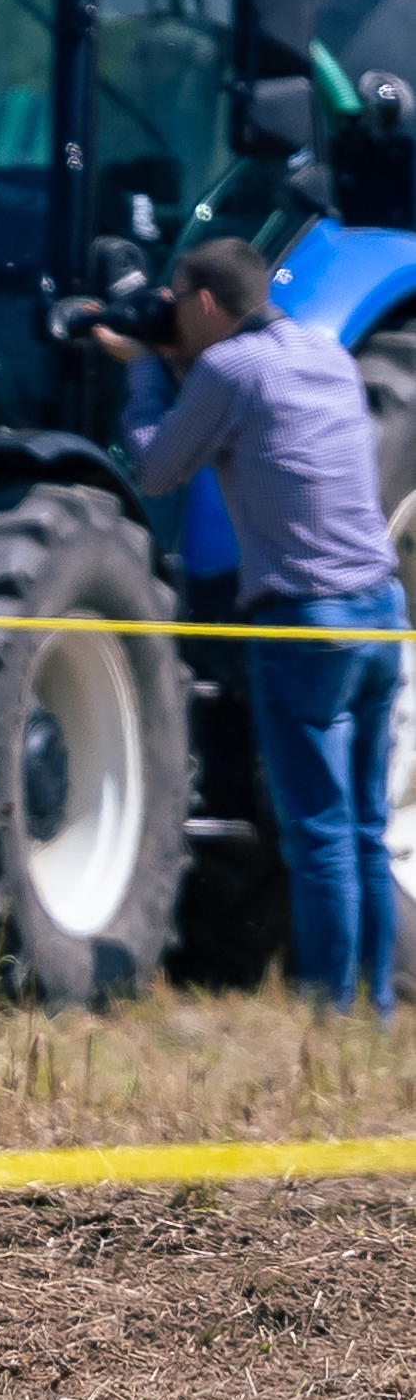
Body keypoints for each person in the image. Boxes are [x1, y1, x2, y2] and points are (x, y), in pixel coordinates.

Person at [100, 233, 402, 1012]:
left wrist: (142, 367)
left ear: (203, 302)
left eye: (176, 299)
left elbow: (154, 467)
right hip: (380, 609)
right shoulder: (325, 352)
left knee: (318, 832)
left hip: (305, 620)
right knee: (364, 828)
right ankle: (371, 1008)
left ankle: (328, 1013)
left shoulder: (229, 370)